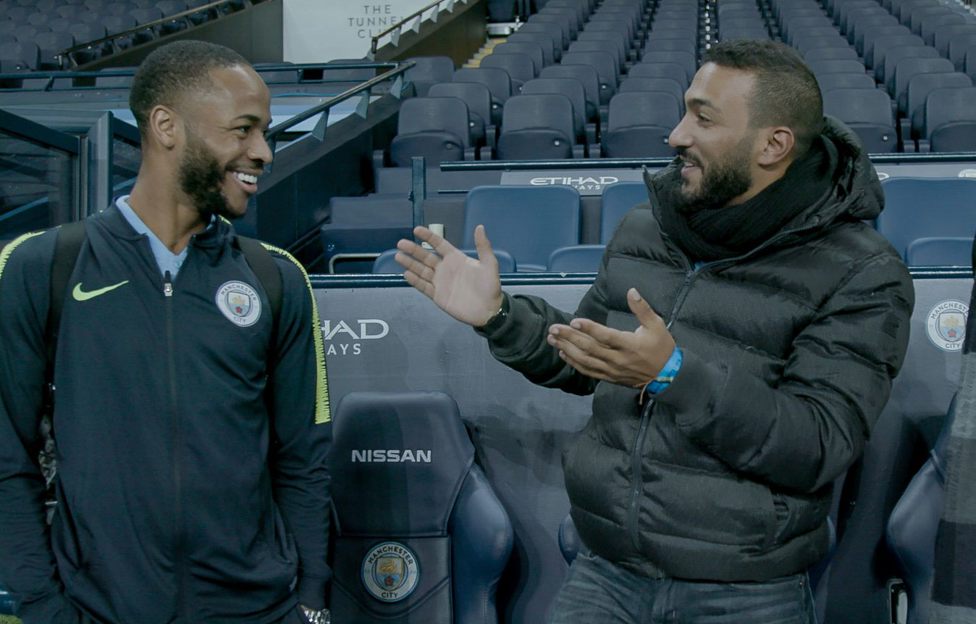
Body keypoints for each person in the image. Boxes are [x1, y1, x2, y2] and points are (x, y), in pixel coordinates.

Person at [395, 40, 914, 622]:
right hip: (603, 576)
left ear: (774, 145)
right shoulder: (647, 226)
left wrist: (674, 374)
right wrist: (498, 315)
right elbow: (589, 355)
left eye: (703, 117)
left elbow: (818, 443)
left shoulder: (863, 272)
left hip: (743, 595)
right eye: (684, 110)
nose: (675, 135)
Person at [0, 41, 332, 624]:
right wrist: (43, 607)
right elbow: (6, 457)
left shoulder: (275, 277)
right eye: (244, 130)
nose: (264, 153)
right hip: (97, 610)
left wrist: (308, 600)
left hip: (260, 611)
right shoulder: (41, 266)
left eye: (266, 132)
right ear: (165, 126)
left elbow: (304, 457)